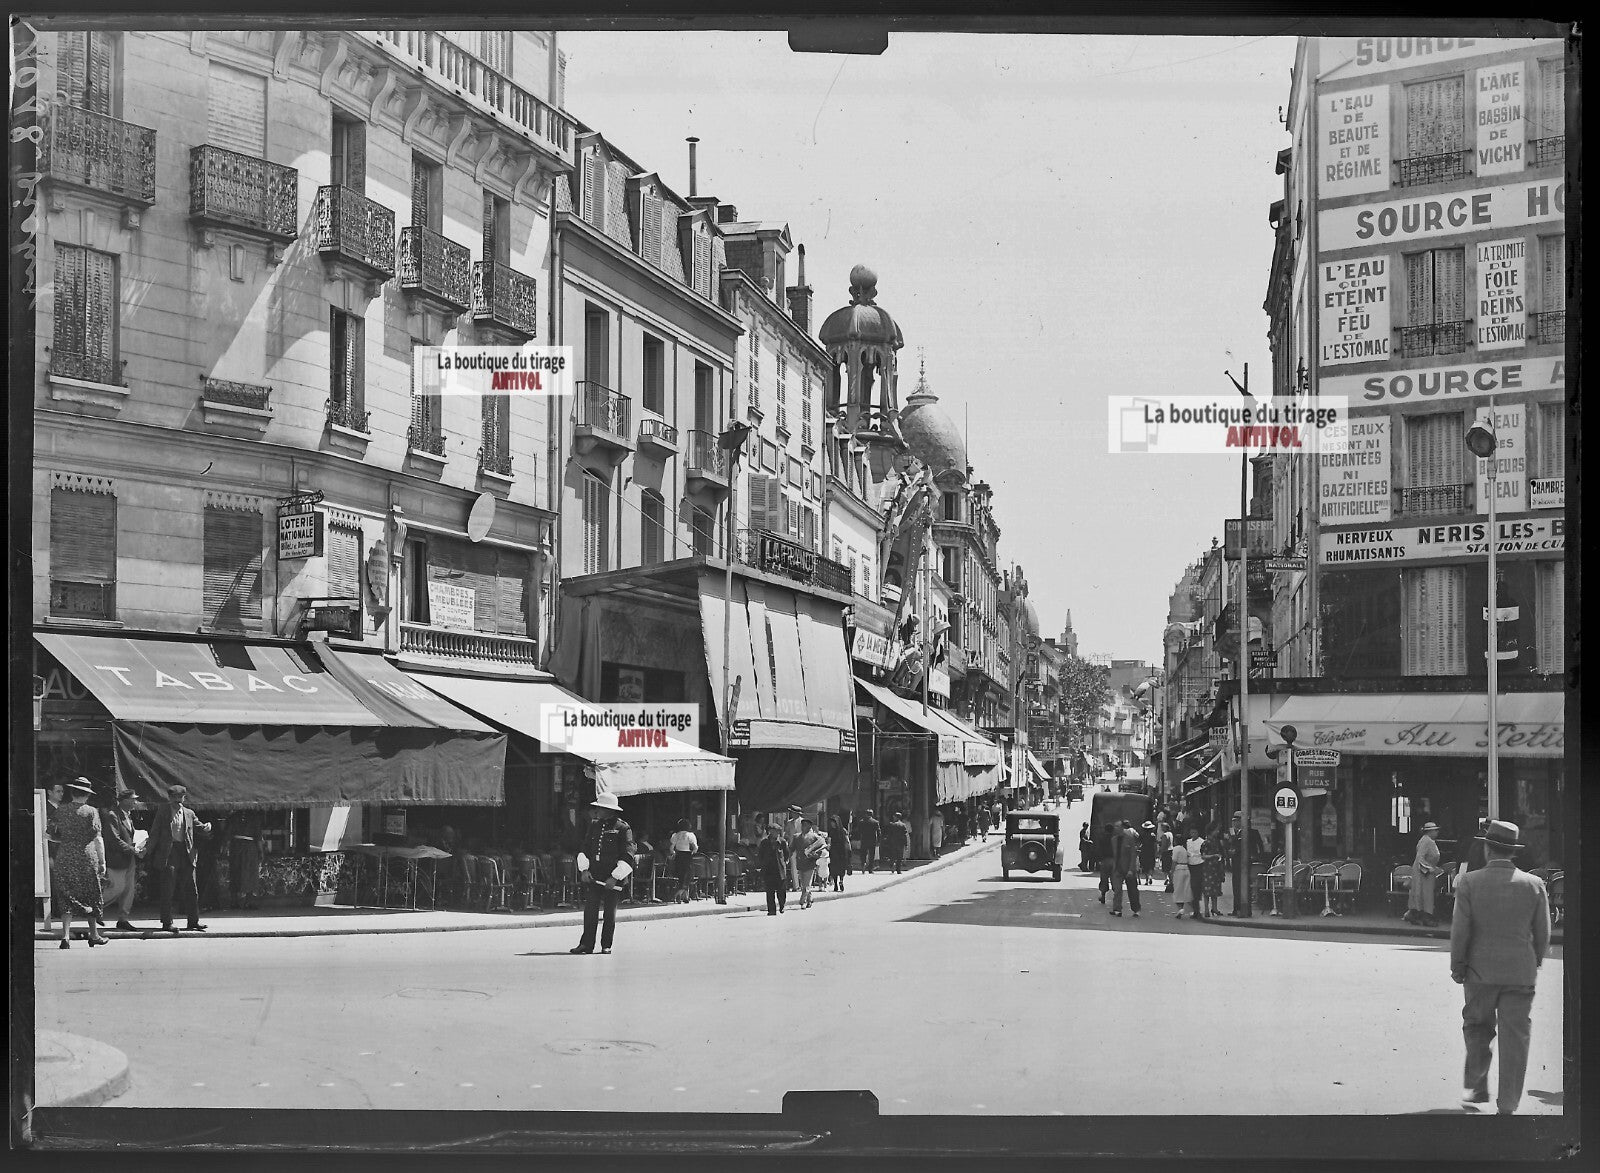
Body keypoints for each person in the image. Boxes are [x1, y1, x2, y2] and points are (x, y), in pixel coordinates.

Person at [1450, 820, 1551, 1116]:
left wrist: (1458, 966)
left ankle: (1476, 1086)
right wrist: (1533, 962)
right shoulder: (1534, 885)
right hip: (1520, 973)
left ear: (1487, 848)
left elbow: (1460, 931)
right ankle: (1508, 1104)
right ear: (1513, 852)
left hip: (1479, 973)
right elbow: (1543, 933)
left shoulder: (1470, 882)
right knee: (1516, 1039)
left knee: (1477, 1028)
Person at [571, 793, 635, 955]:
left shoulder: (622, 828)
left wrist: (615, 877)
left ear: (609, 810)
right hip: (595, 875)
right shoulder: (594, 825)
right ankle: (586, 944)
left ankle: (606, 944)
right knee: (590, 912)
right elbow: (585, 848)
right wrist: (584, 869)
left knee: (609, 914)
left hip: (612, 877)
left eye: (600, 808)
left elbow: (628, 854)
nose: (597, 810)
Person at [146, 784, 213, 934]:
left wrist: (206, 828)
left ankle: (193, 921)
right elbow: (155, 832)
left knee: (192, 889)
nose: (178, 800)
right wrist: (148, 850)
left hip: (186, 852)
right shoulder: (163, 811)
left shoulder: (189, 813)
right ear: (170, 798)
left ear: (184, 798)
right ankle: (167, 922)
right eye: (175, 797)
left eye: (180, 797)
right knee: (168, 888)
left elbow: (199, 827)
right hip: (169, 853)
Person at [51, 779, 109, 948]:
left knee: (66, 895)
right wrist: (103, 861)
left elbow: (49, 835)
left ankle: (66, 937)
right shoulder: (92, 812)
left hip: (65, 856)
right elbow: (98, 839)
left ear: (72, 793)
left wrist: (66, 841)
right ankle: (94, 934)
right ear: (87, 795)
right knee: (91, 893)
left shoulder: (60, 810)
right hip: (86, 857)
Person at [99, 785, 141, 933]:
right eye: (133, 800)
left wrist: (139, 845)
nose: (135, 802)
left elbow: (129, 835)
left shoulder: (128, 815)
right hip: (117, 858)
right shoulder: (113, 815)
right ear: (124, 801)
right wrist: (132, 849)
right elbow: (113, 839)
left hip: (129, 858)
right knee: (116, 887)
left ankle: (123, 919)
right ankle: (94, 908)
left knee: (129, 890)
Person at [1406, 821, 1443, 927]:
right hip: (1423, 873)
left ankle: (1420, 915)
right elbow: (1420, 857)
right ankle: (1424, 916)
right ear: (1430, 831)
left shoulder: (1428, 840)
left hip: (1426, 872)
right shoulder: (1427, 841)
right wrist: (1429, 869)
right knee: (1425, 894)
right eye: (1435, 830)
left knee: (1425, 894)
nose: (1437, 832)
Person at [757, 825, 790, 915]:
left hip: (779, 870)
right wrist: (762, 864)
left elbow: (787, 854)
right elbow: (760, 855)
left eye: (777, 831)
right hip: (768, 870)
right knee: (769, 891)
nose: (775, 833)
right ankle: (771, 910)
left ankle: (782, 905)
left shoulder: (782, 842)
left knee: (781, 891)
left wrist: (784, 863)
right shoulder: (764, 842)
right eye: (773, 831)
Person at [794, 820, 825, 908]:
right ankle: (809, 900)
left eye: (806, 825)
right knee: (804, 884)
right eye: (802, 825)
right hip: (800, 863)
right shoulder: (796, 837)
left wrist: (815, 854)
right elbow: (791, 848)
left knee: (807, 884)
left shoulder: (815, 837)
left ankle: (802, 901)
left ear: (810, 827)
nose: (803, 827)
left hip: (810, 864)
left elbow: (821, 847)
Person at [669, 819, 698, 904]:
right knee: (688, 875)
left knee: (681, 876)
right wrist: (693, 852)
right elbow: (695, 847)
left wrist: (673, 853)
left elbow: (671, 847)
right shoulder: (690, 835)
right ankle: (678, 894)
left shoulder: (675, 835)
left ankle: (685, 897)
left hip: (678, 856)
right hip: (687, 856)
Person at [1169, 837, 1193, 918]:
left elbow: (1174, 861)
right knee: (1186, 889)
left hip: (1179, 868)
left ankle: (1180, 908)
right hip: (1187, 868)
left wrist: (1171, 871)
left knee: (1178, 889)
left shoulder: (1176, 849)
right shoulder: (1184, 849)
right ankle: (1191, 910)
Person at [828, 817, 850, 892]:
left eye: (833, 822)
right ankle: (836, 884)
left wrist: (849, 850)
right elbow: (829, 841)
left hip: (841, 851)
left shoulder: (842, 831)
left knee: (840, 867)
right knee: (834, 867)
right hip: (835, 851)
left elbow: (847, 841)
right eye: (831, 822)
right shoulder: (833, 831)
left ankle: (840, 881)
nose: (832, 824)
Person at [858, 809, 881, 874]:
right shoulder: (875, 822)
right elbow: (879, 832)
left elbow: (859, 831)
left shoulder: (861, 822)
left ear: (866, 814)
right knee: (871, 855)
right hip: (872, 840)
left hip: (864, 840)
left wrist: (859, 838)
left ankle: (863, 863)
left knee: (863, 853)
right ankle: (870, 869)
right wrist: (878, 840)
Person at [1138, 821, 1157, 888]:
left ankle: (1146, 879)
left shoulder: (1142, 834)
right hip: (1151, 851)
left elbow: (1140, 843)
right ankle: (1150, 876)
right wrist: (1156, 852)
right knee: (1151, 865)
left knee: (1145, 865)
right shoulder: (1153, 835)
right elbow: (1155, 844)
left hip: (1144, 851)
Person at [1158, 821, 1175, 892]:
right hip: (1171, 851)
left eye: (1162, 827)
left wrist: (1160, 852)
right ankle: (1171, 881)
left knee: (1166, 868)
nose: (1161, 828)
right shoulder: (1170, 834)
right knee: (1169, 867)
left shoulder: (1165, 835)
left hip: (1166, 852)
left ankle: (1169, 880)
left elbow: (1164, 845)